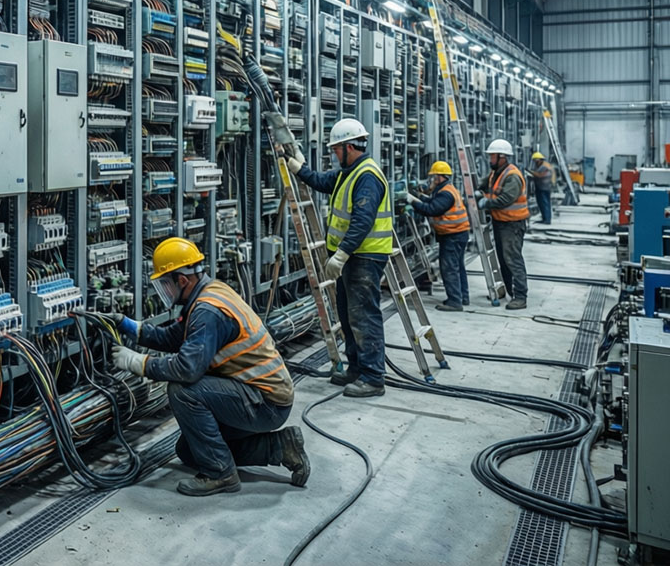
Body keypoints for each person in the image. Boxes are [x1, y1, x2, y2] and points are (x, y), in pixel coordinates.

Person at [103, 237, 309, 497]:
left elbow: (187, 369)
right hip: (258, 397)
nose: (164, 291)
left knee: (183, 390)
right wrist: (128, 325)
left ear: (182, 280)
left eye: (165, 283)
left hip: (264, 403)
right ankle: (281, 446)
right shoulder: (210, 292)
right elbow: (173, 337)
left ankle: (221, 475)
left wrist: (137, 363)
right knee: (189, 451)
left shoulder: (207, 311)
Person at [286, 118, 393, 398]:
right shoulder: (350, 172)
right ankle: (357, 368)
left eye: (336, 150)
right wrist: (300, 169)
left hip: (364, 257)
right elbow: (322, 182)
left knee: (363, 316)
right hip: (352, 258)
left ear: (348, 147)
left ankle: (372, 378)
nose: (334, 154)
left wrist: (342, 254)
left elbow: (362, 220)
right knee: (347, 315)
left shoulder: (366, 176)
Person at [407, 161, 470, 311]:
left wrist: (412, 202)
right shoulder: (446, 189)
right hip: (457, 234)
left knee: (449, 268)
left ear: (440, 177)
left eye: (434, 177)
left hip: (452, 235)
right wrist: (418, 196)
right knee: (458, 267)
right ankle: (463, 296)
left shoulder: (446, 194)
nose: (432, 180)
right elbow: (432, 201)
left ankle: (455, 301)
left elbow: (432, 209)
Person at [476, 139, 529, 310]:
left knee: (513, 260)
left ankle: (520, 297)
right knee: (503, 261)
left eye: (492, 156)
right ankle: (510, 292)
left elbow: (506, 199)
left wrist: (486, 203)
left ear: (502, 157)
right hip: (501, 223)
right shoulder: (496, 173)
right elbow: (483, 184)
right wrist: (476, 190)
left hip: (512, 225)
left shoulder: (512, 175)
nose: (490, 159)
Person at [528, 152, 554, 224]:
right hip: (540, 187)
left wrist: (530, 172)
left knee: (545, 203)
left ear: (539, 160)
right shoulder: (540, 166)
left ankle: (547, 219)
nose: (535, 163)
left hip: (544, 188)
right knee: (541, 204)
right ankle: (544, 218)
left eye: (535, 161)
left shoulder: (544, 166)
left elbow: (539, 175)